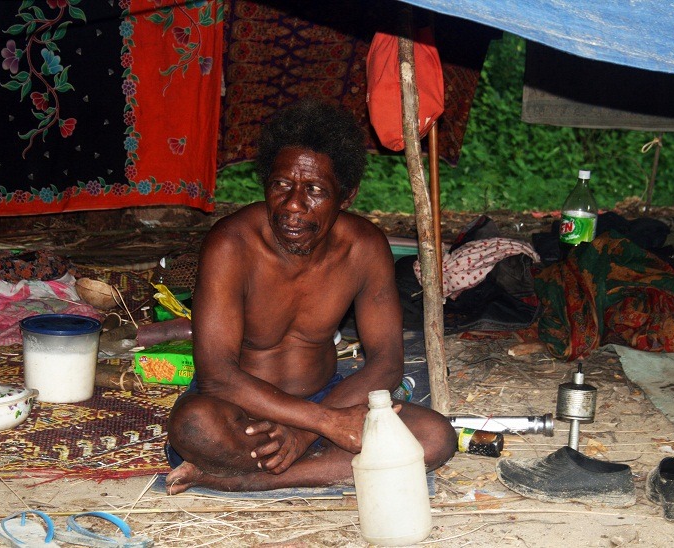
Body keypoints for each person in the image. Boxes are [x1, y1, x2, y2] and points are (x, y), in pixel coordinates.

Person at [165, 98, 456, 494]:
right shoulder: (231, 244)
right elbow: (217, 376)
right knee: (195, 426)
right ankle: (323, 464)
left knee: (435, 437)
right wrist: (324, 424)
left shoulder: (364, 249)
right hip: (242, 411)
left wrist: (311, 428)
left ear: (346, 196)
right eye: (281, 185)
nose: (294, 206)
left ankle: (244, 480)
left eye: (315, 190)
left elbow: (387, 361)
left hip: (330, 399)